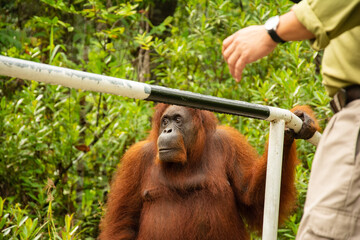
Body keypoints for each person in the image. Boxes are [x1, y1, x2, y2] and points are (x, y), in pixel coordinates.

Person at [222, 0, 360, 239]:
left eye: (177, 121)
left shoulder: (222, 144)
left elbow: (257, 205)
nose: (168, 133)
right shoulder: (143, 159)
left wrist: (273, 31)